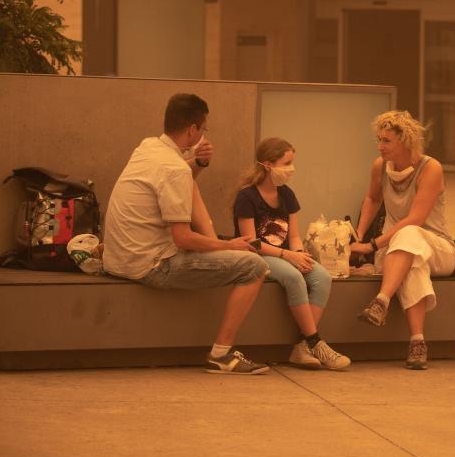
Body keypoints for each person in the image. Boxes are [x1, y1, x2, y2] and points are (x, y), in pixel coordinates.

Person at [103, 93, 270, 375]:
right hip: (151, 265)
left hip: (118, 257)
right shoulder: (174, 168)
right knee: (254, 266)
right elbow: (182, 239)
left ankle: (222, 245)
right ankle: (221, 354)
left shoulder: (148, 148)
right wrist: (228, 245)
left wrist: (197, 164)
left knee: (189, 185)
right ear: (193, 130)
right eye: (203, 128)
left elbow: (176, 181)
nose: (203, 133)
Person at [349, 110, 455, 370]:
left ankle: (381, 301)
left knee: (408, 234)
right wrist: (359, 235)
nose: (380, 146)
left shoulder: (430, 168)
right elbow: (373, 199)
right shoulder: (379, 166)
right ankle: (417, 342)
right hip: (398, 251)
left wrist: (372, 244)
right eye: (379, 139)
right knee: (412, 264)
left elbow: (416, 219)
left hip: (437, 248)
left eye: (387, 141)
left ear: (405, 141)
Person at [233, 138, 350, 371]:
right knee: (293, 277)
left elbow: (294, 235)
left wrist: (299, 253)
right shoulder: (246, 197)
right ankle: (316, 342)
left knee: (321, 277)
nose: (291, 169)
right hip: (259, 257)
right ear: (268, 165)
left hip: (286, 253)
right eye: (286, 163)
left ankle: (302, 347)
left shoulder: (287, 195)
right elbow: (252, 243)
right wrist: (288, 256)